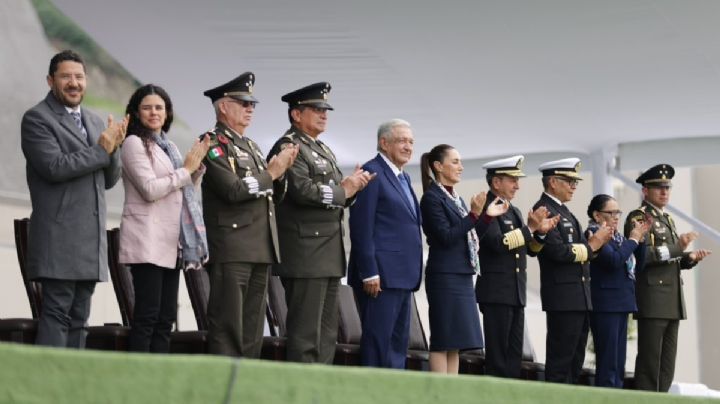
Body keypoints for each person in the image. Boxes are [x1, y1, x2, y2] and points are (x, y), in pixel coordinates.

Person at [20, 50, 126, 348]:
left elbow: (108, 179)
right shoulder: (37, 119)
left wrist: (114, 147)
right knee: (56, 315)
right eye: (66, 77)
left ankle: (70, 389)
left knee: (81, 318)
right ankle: (47, 390)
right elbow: (54, 168)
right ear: (50, 80)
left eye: (79, 77)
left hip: (89, 241)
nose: (73, 83)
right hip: (59, 238)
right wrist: (102, 150)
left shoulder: (94, 122)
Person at [267, 82, 372, 363]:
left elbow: (337, 193)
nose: (323, 114)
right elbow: (300, 190)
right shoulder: (289, 146)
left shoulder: (323, 148)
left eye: (325, 109)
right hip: (305, 252)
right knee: (305, 335)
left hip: (327, 251)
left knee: (327, 335)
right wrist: (343, 190)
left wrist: (352, 188)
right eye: (316, 109)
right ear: (296, 115)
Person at [201, 72, 298, 357]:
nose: (250, 108)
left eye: (251, 104)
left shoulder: (252, 146)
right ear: (223, 107)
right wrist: (272, 173)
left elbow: (269, 195)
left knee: (253, 330)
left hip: (259, 248)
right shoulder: (213, 143)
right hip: (232, 247)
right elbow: (233, 190)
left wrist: (279, 177)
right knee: (228, 326)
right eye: (242, 103)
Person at [118, 84, 210, 353]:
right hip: (146, 240)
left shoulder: (167, 145)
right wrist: (186, 170)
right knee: (147, 316)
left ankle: (159, 378)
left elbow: (182, 188)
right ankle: (139, 379)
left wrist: (196, 169)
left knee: (166, 318)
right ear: (136, 112)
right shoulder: (133, 143)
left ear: (167, 112)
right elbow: (150, 189)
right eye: (147, 107)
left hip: (170, 241)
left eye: (159, 107)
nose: (154, 112)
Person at [419, 144, 509, 374]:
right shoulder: (432, 197)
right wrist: (473, 214)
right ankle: (440, 395)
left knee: (455, 343)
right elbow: (446, 237)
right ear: (438, 166)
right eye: (455, 161)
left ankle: (453, 394)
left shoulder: (454, 197)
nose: (461, 167)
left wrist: (486, 217)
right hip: (445, 275)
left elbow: (469, 235)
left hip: (461, 274)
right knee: (443, 339)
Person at [625, 164, 711, 392]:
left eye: (667, 188)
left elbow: (670, 259)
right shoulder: (639, 217)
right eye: (658, 188)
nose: (664, 192)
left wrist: (688, 257)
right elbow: (641, 257)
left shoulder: (667, 219)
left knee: (666, 368)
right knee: (650, 365)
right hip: (653, 300)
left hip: (672, 301)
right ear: (645, 191)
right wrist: (677, 247)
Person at [348, 119, 423, 369]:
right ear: (384, 142)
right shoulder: (372, 172)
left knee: (397, 346)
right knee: (379, 345)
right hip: (380, 278)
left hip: (402, 276)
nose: (408, 146)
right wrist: (369, 272)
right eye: (402, 140)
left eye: (411, 141)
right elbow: (361, 226)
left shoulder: (404, 176)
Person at [475, 155, 559, 378]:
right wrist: (529, 229)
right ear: (496, 182)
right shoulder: (488, 206)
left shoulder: (512, 210)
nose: (517, 186)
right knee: (498, 359)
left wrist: (540, 234)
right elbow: (496, 243)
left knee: (514, 359)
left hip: (515, 292)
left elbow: (529, 249)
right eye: (512, 180)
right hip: (496, 292)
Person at [532, 158, 612, 383]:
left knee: (574, 364)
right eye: (569, 181)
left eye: (575, 182)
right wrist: (592, 245)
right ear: (553, 182)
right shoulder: (544, 210)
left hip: (579, 297)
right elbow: (556, 252)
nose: (574, 186)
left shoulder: (564, 211)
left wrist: (593, 244)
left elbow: (577, 250)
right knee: (560, 363)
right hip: (563, 298)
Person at [585, 194, 649, 387]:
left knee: (618, 362)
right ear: (597, 215)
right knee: (608, 361)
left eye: (617, 212)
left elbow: (641, 264)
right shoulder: (594, 233)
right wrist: (633, 240)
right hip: (606, 304)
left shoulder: (619, 237)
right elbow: (613, 261)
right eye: (610, 212)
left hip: (621, 302)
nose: (615, 217)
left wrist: (641, 238)